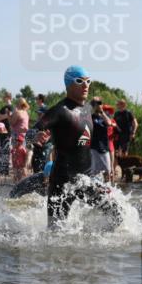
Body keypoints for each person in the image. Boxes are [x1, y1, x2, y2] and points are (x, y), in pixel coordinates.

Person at [35, 66, 120, 228]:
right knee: (55, 232)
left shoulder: (87, 109)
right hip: (62, 182)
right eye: (80, 81)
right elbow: (31, 132)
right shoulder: (60, 111)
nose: (85, 85)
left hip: (85, 180)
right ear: (68, 84)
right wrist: (35, 137)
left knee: (118, 216)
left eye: (88, 81)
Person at [88, 98, 113, 179]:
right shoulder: (90, 117)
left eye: (100, 103)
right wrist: (92, 108)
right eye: (96, 104)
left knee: (107, 171)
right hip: (94, 147)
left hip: (104, 147)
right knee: (94, 172)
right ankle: (94, 189)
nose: (99, 105)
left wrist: (102, 112)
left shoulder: (104, 116)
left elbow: (109, 123)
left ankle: (108, 189)